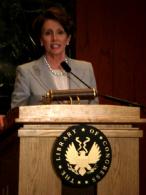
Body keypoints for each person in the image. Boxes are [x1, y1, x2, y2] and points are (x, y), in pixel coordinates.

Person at [11, 6, 98, 109]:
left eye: (60, 32)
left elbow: (94, 111)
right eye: (48, 33)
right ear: (41, 40)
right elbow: (17, 113)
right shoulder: (26, 72)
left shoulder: (85, 69)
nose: (54, 38)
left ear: (68, 38)